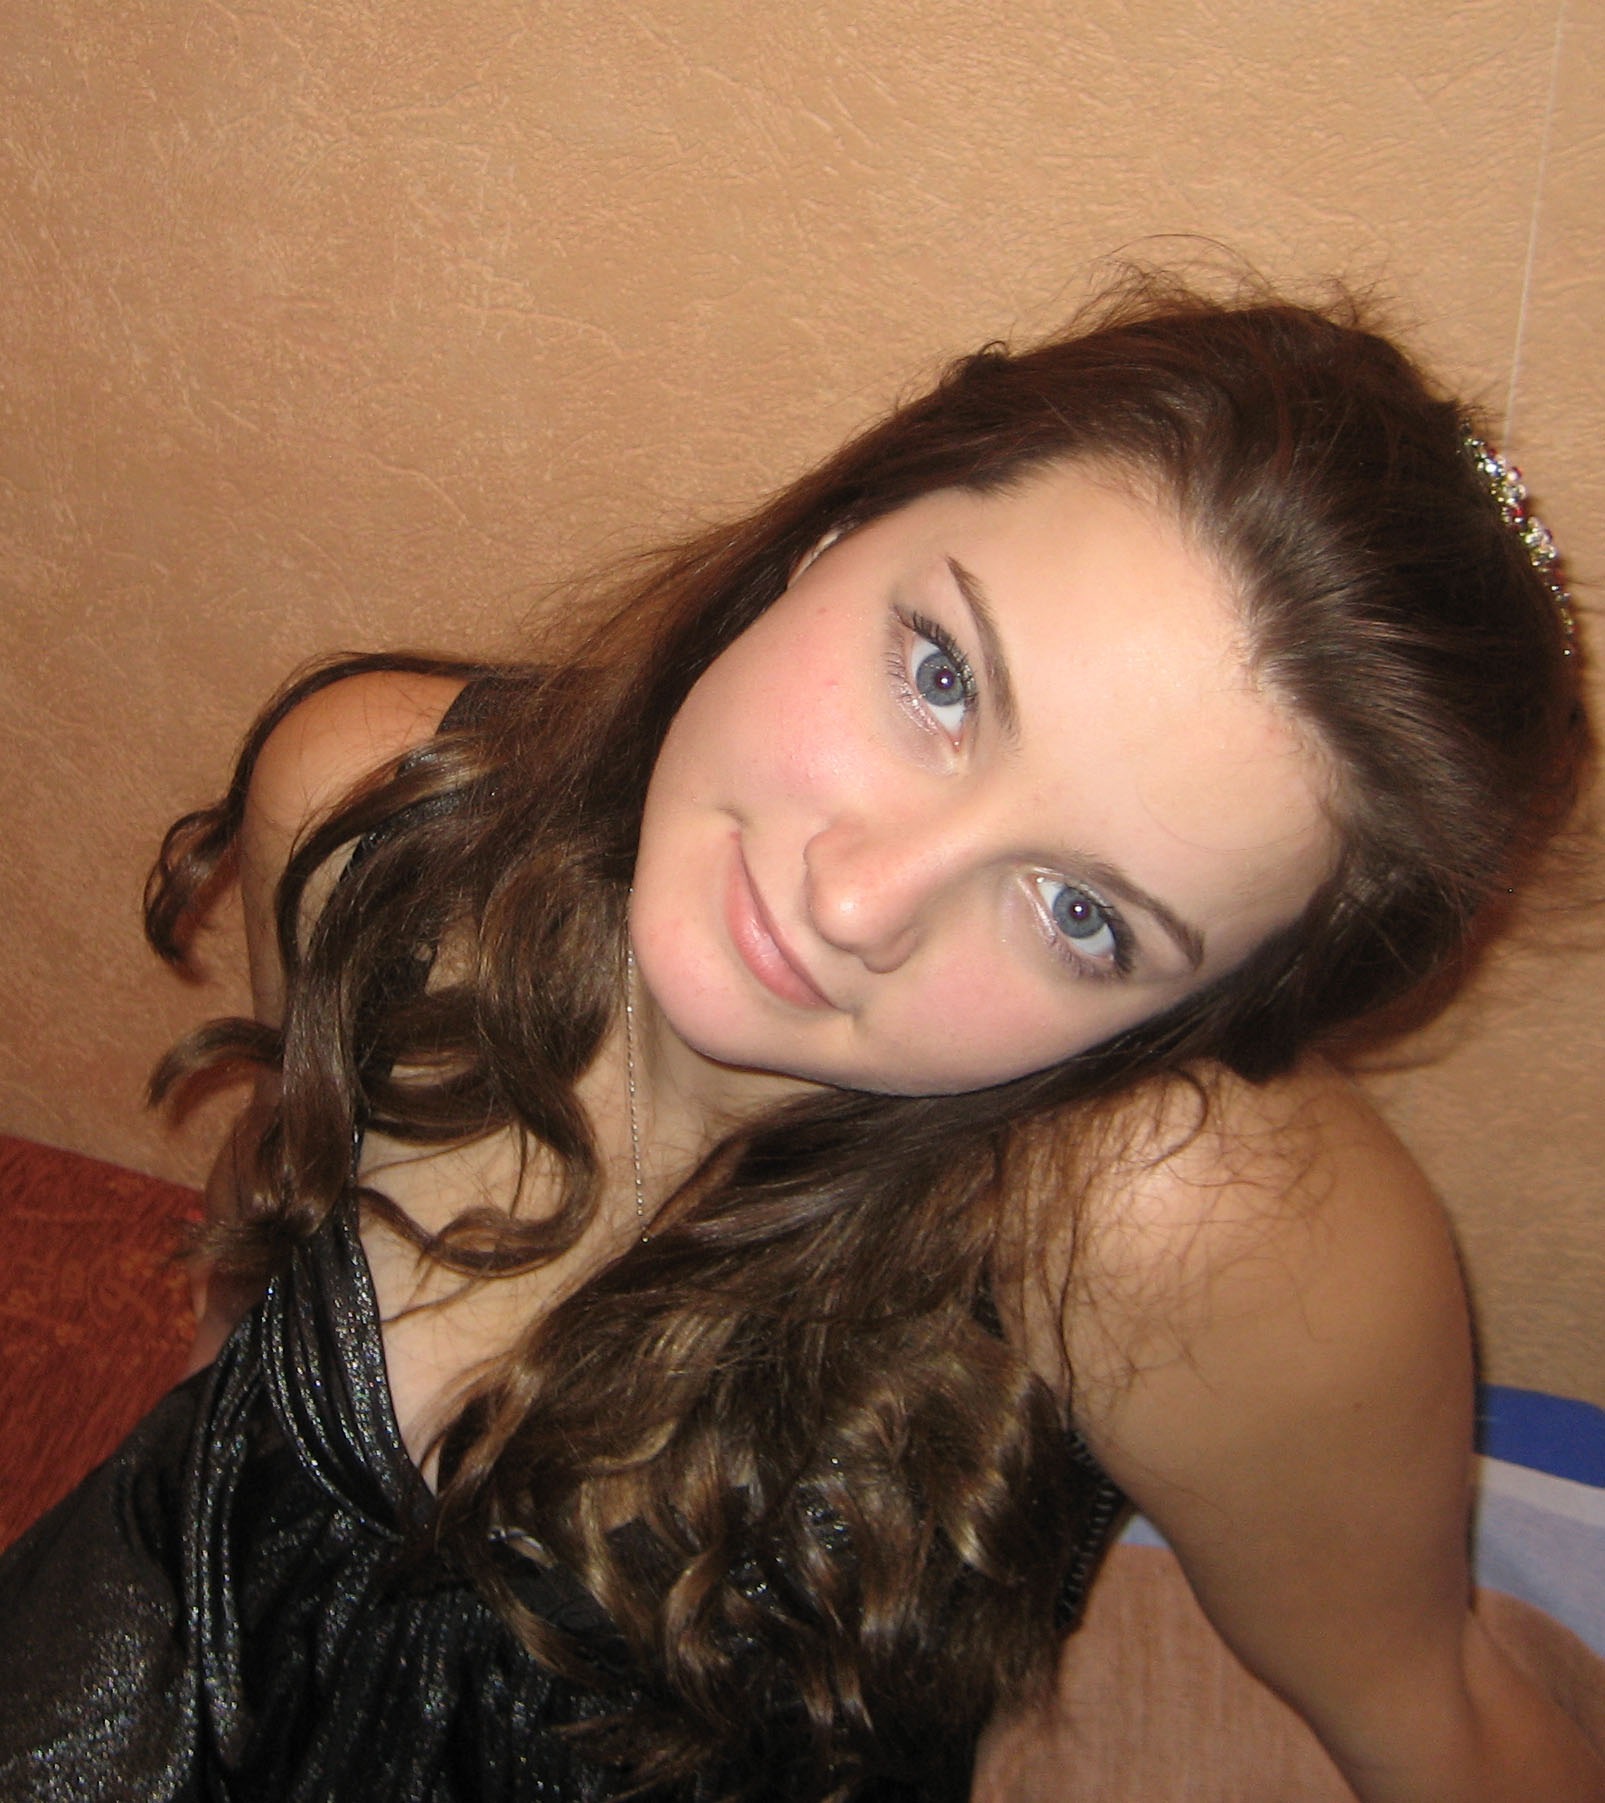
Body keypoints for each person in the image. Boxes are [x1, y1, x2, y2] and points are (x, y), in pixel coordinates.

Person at [0, 277, 1599, 1803]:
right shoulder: (379, 809)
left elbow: (1426, 1720)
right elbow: (277, 1207)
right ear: (840, 526)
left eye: (1079, 914)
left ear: (1188, 1022)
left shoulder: (1191, 1238)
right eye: (940, 677)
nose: (855, 899)